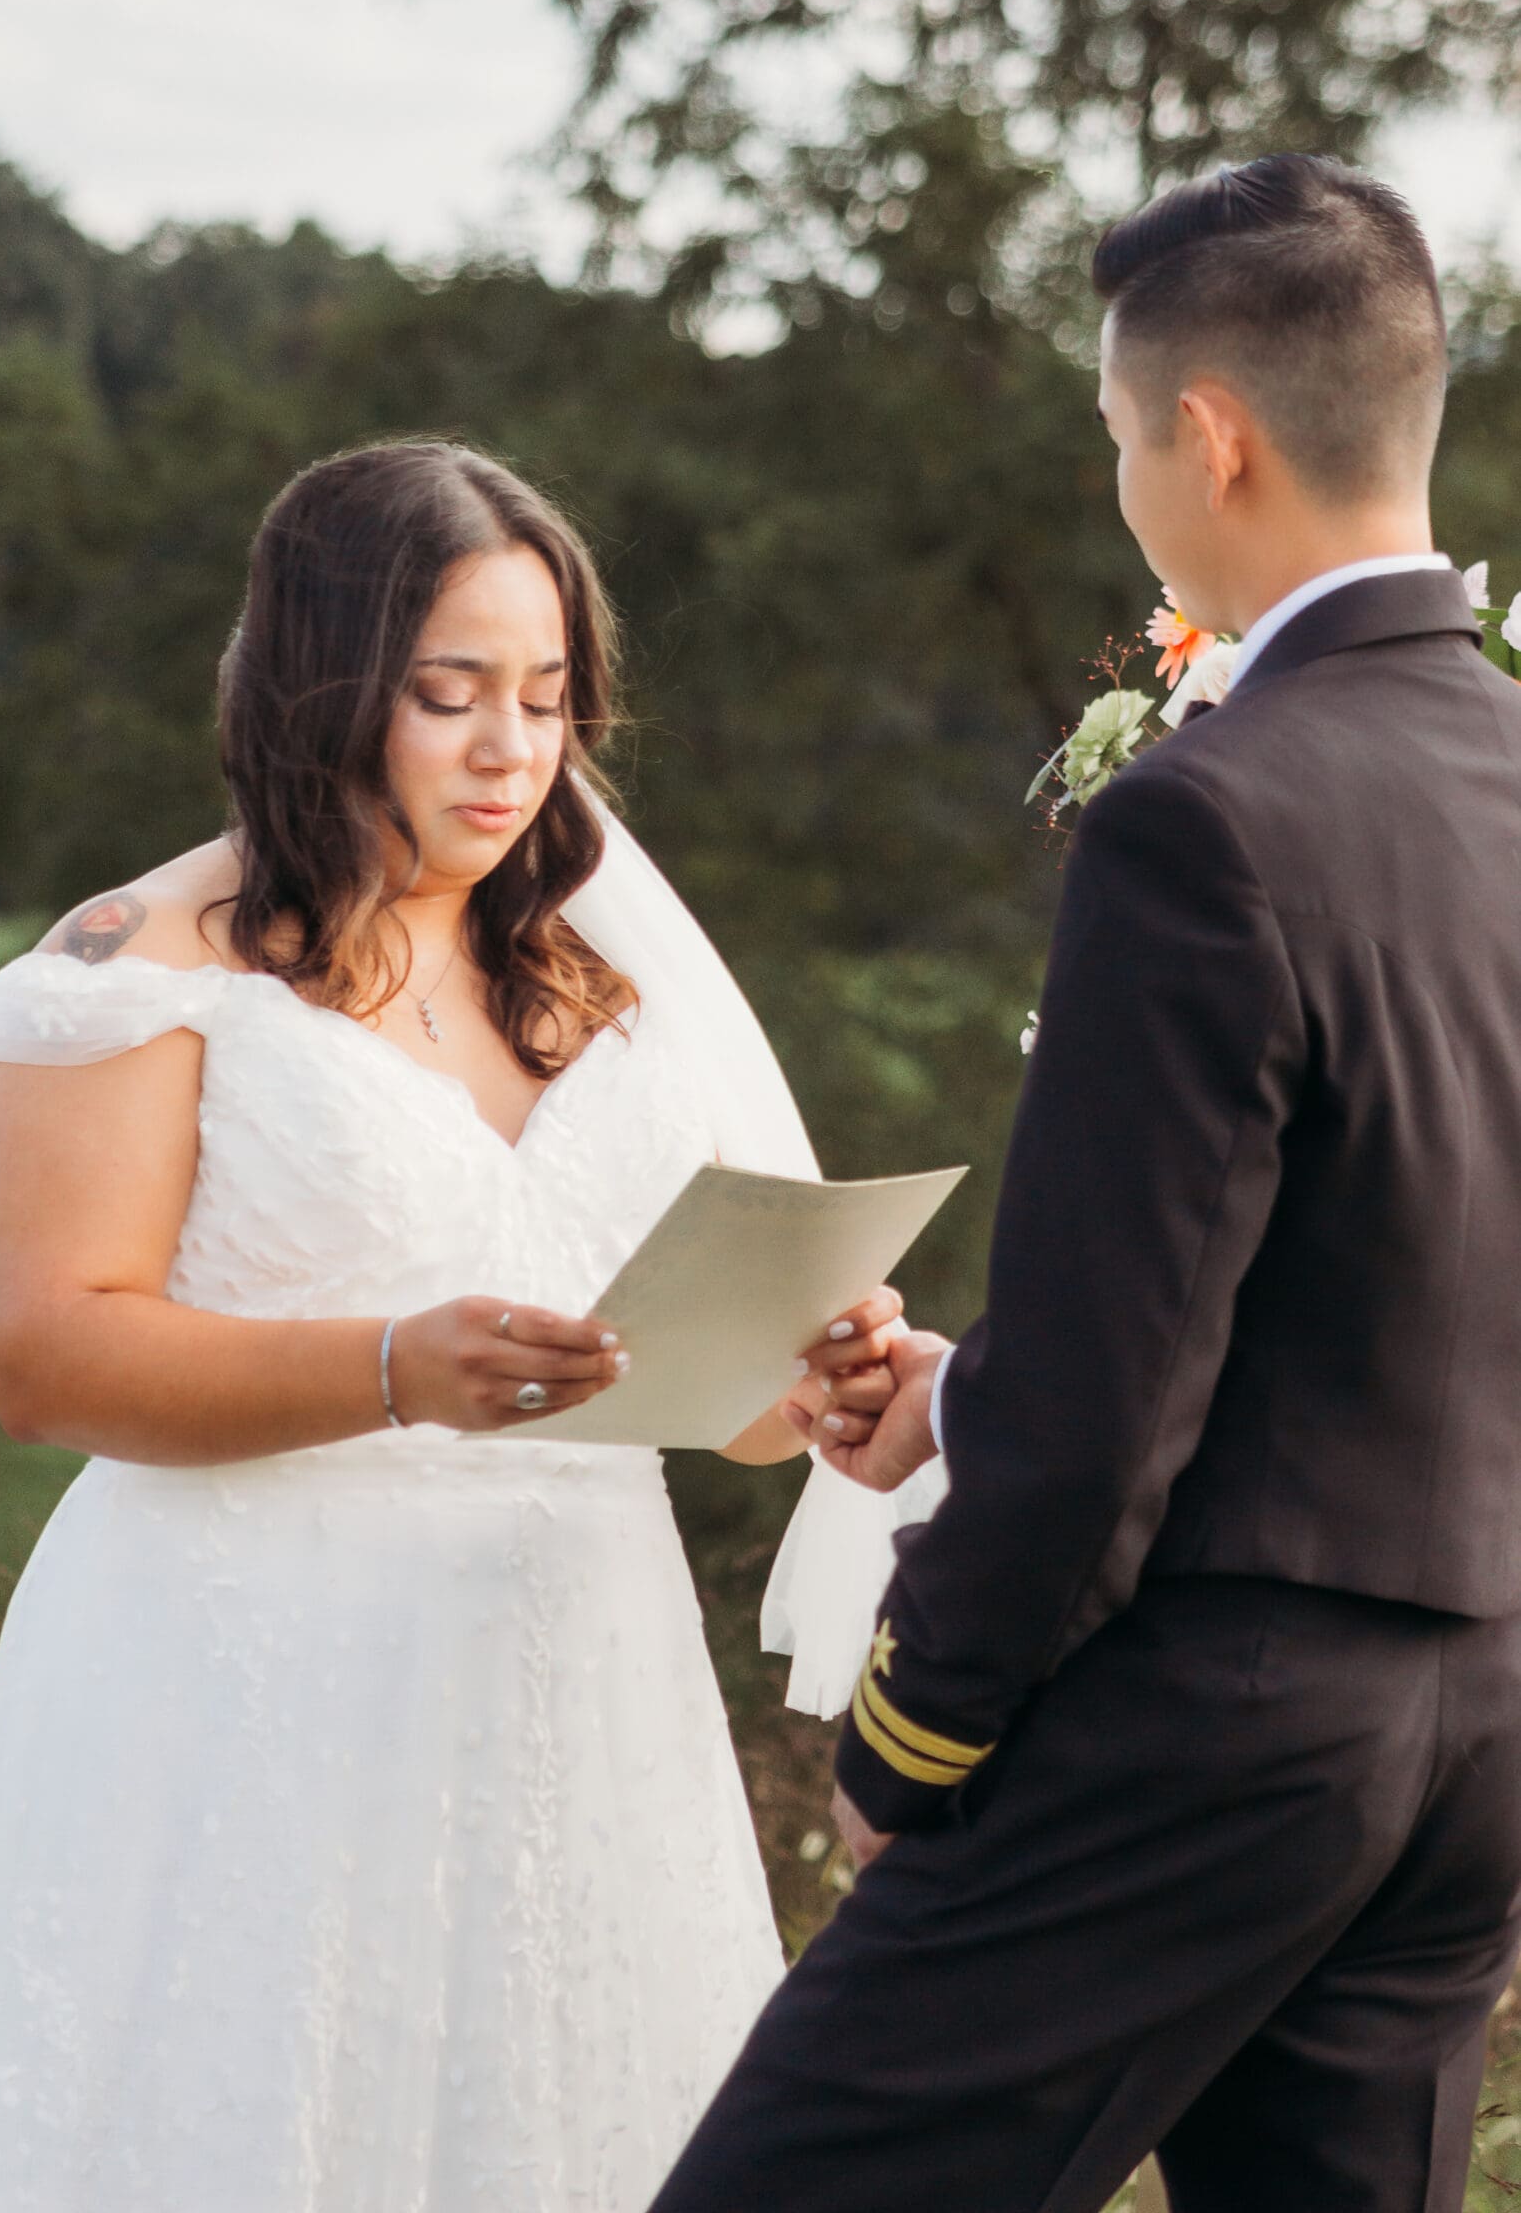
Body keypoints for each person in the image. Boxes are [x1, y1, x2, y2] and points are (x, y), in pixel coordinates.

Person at [649, 153, 1521, 2213]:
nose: (1123, 481)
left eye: (1120, 437)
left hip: (1208, 1728)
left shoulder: (1202, 819)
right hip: (1478, 1724)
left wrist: (913, 1731)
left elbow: (1108, 1393)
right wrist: (959, 1387)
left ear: (1205, 436)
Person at [0, 439, 910, 2213]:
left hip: (581, 1672)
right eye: (450, 697)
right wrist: (388, 1369)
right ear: (322, 681)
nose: (512, 751)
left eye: (546, 700)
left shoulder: (601, 987)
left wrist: (805, 1378)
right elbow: (47, 1352)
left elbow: (711, 1399)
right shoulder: (134, 970)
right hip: (248, 1685)